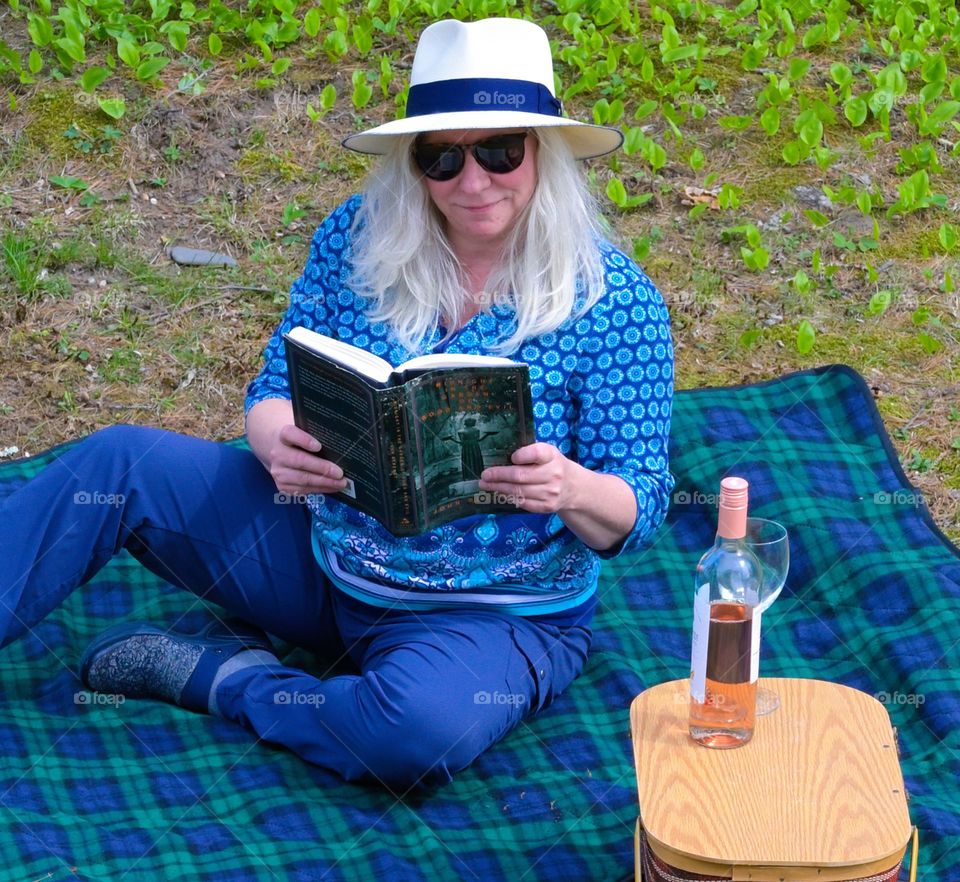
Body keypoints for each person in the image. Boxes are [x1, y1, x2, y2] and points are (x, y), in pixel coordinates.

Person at [0, 18, 674, 791]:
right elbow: (273, 386)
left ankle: (228, 679)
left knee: (414, 732)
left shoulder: (616, 301)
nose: (472, 180)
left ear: (543, 153)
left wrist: (571, 488)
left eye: (499, 151)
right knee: (119, 463)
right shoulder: (357, 236)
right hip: (324, 559)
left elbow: (643, 501)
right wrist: (275, 438)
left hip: (492, 617)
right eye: (441, 157)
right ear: (412, 164)